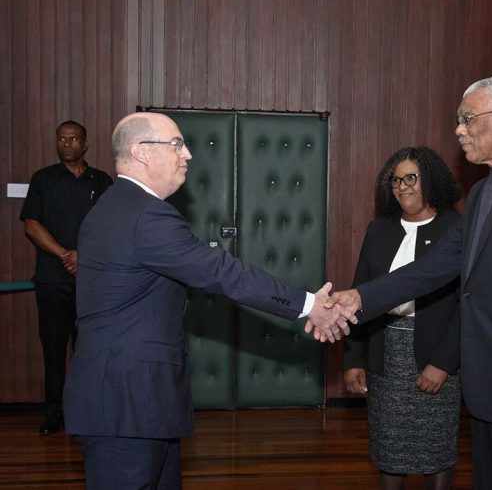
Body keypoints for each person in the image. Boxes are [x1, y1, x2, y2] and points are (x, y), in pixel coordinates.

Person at [62, 112, 353, 489]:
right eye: (176, 144)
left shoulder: (115, 206)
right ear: (141, 152)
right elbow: (222, 272)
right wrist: (309, 305)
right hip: (126, 404)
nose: (188, 154)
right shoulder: (145, 215)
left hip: (139, 402)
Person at [329, 76, 492, 489]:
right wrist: (357, 298)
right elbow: (432, 268)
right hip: (484, 383)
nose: (458, 130)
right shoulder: (480, 193)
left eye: (468, 119)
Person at [342, 147, 462, 490]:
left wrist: (443, 363)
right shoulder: (379, 230)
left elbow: (464, 306)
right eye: (395, 180)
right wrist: (353, 358)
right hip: (386, 353)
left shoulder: (458, 229)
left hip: (437, 354)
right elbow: (360, 293)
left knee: (436, 450)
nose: (402, 186)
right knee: (390, 450)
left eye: (412, 178)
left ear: (432, 180)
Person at [20, 120, 113, 435]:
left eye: (74, 138)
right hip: (51, 281)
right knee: (54, 350)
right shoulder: (42, 180)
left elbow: (112, 228)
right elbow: (31, 225)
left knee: (91, 349)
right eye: (62, 138)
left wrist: (83, 256)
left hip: (93, 282)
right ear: (56, 143)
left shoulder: (102, 182)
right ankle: (54, 414)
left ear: (85, 144)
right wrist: (65, 254)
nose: (67, 143)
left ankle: (90, 412)